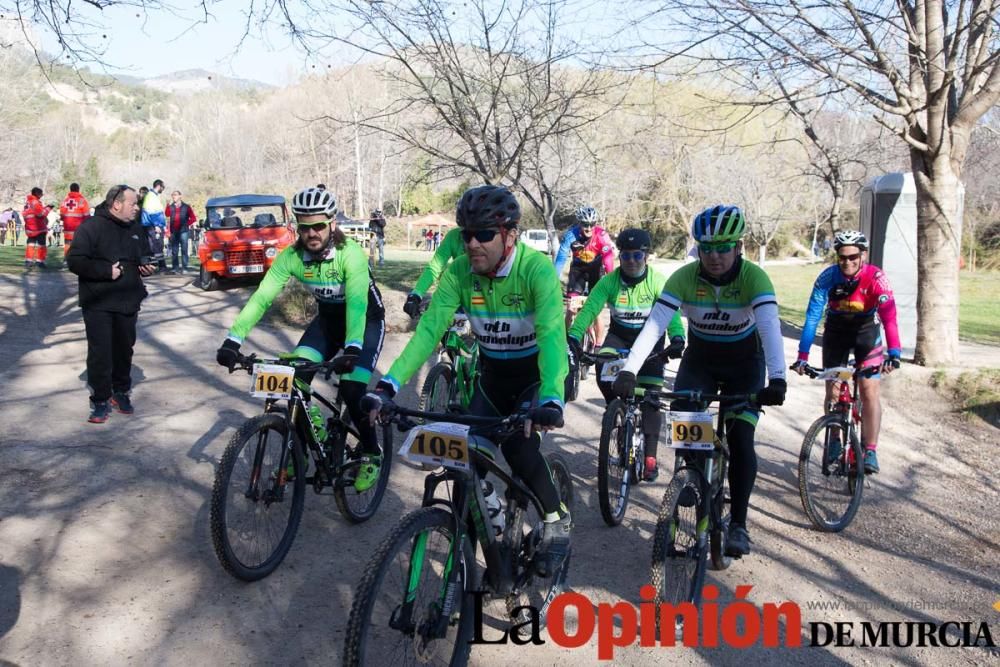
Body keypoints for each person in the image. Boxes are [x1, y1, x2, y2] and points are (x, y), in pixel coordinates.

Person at [361, 184, 572, 576]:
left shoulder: (535, 270)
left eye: (484, 234)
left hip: (536, 381)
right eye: (466, 234)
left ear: (510, 235)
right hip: (492, 382)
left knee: (521, 451)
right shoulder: (459, 272)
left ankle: (557, 518)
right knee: (466, 467)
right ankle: (469, 568)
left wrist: (552, 398)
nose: (472, 243)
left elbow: (552, 339)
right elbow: (427, 334)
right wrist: (387, 387)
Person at [613, 205, 787, 557]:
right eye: (706, 248)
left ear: (739, 246)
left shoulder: (754, 278)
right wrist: (630, 369)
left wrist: (778, 379)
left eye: (723, 248)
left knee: (740, 439)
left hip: (744, 364)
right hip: (701, 360)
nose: (714, 256)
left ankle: (738, 523)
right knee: (686, 417)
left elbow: (769, 328)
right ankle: (691, 472)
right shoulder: (685, 277)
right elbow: (655, 324)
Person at [215, 187, 387, 492]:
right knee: (295, 378)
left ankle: (372, 452)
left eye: (318, 225)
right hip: (328, 322)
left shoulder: (350, 255)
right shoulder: (292, 257)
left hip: (366, 323)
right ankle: (304, 447)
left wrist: (353, 348)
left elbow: (358, 305)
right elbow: (262, 298)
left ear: (332, 223)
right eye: (304, 226)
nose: (312, 233)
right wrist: (233, 340)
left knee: (351, 387)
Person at [567, 228, 685, 481]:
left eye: (637, 255)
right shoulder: (609, 281)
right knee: (603, 369)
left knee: (651, 398)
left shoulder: (657, 281)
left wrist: (677, 338)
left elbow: (672, 315)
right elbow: (589, 310)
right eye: (626, 255)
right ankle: (617, 413)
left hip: (651, 341)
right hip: (619, 337)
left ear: (646, 256)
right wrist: (574, 336)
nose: (631, 261)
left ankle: (651, 458)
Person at [791, 230, 900, 474]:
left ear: (863, 255)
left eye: (853, 257)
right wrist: (802, 356)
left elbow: (889, 317)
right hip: (836, 333)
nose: (848, 262)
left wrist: (894, 352)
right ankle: (835, 440)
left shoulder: (876, 278)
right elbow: (812, 318)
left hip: (866, 334)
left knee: (869, 389)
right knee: (834, 391)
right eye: (842, 258)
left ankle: (870, 449)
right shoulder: (827, 278)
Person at [67, 185, 155, 423]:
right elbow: (74, 261)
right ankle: (100, 400)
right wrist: (105, 271)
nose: (136, 208)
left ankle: (121, 392)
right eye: (132, 203)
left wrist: (146, 268)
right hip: (98, 301)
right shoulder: (91, 227)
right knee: (101, 353)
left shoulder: (136, 229)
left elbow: (144, 257)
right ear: (116, 204)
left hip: (128, 300)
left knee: (124, 349)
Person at [554, 205, 615, 344]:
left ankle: (598, 346)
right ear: (579, 223)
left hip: (595, 270)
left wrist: (612, 280)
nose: (588, 228)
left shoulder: (601, 235)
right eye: (585, 224)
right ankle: (564, 343)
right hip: (578, 271)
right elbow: (561, 259)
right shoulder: (571, 235)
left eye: (592, 224)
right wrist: (552, 281)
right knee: (571, 309)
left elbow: (608, 259)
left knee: (597, 311)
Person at [403, 226, 464, 318]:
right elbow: (435, 266)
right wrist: (416, 295)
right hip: (459, 291)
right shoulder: (454, 235)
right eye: (466, 236)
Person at [164, 190, 198, 274]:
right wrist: (167, 204)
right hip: (174, 232)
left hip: (184, 231)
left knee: (184, 249)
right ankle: (175, 268)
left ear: (180, 196)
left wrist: (187, 224)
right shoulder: (171, 206)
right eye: (172, 195)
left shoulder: (186, 207)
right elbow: (167, 214)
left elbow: (193, 218)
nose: (174, 196)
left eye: (175, 195)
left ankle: (184, 268)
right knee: (174, 251)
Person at [140, 179, 167, 271]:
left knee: (154, 245)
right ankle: (161, 267)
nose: (163, 189)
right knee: (157, 245)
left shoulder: (152, 196)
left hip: (152, 225)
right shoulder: (151, 196)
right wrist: (157, 225)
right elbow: (152, 212)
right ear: (159, 186)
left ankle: (156, 266)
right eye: (163, 187)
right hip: (153, 225)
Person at [22, 187, 53, 268]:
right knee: (41, 245)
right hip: (38, 227)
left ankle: (28, 261)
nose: (42, 195)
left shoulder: (27, 203)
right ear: (37, 194)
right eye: (41, 193)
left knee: (30, 244)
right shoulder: (35, 202)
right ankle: (40, 261)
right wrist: (49, 208)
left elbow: (25, 214)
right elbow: (41, 214)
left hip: (29, 227)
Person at [59, 183, 90, 262]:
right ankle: (77, 260)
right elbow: (86, 216)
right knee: (79, 244)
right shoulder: (82, 201)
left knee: (67, 244)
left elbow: (62, 215)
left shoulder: (65, 201)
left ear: (70, 189)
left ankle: (66, 260)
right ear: (78, 189)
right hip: (78, 227)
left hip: (67, 227)